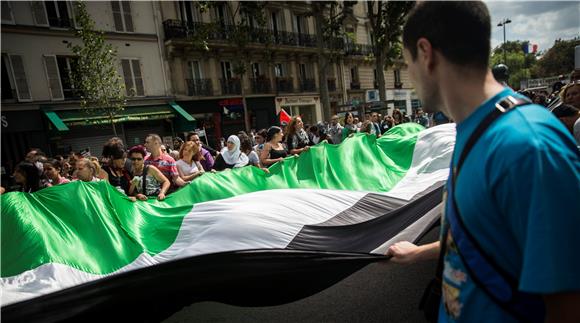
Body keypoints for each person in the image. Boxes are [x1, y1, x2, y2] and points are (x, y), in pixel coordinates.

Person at [386, 2, 580, 323]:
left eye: (407, 64)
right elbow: (490, 231)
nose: (411, 78)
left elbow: (568, 305)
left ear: (425, 53)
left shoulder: (528, 145)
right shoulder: (474, 128)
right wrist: (418, 253)